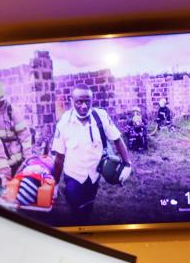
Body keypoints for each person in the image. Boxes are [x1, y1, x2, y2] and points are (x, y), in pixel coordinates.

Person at [50, 85, 133, 227]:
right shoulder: (64, 123)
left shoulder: (101, 117)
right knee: (77, 212)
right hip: (74, 177)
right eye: (79, 102)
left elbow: (117, 139)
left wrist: (127, 164)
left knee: (88, 207)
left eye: (87, 101)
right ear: (72, 101)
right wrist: (56, 183)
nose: (84, 106)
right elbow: (59, 158)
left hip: (94, 175)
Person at [0, 79, 33, 175]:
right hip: (0, 163)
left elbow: (25, 137)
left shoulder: (13, 112)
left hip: (17, 162)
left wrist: (28, 159)